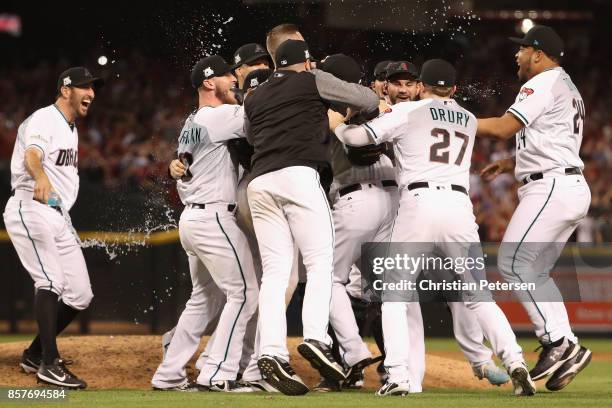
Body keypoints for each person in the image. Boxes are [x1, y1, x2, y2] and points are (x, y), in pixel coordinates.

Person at [330, 59, 534, 397]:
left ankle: (398, 375)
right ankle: (515, 361)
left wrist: (338, 124)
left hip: (418, 204)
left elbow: (357, 139)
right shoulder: (468, 118)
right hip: (458, 208)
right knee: (478, 296)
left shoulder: (410, 111)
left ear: (421, 86)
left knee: (395, 295)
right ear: (453, 90)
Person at [244, 39, 379, 395]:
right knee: (320, 264)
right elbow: (368, 99)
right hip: (298, 176)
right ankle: (316, 338)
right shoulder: (311, 78)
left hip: (259, 183)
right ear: (305, 63)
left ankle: (271, 351)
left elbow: (249, 135)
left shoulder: (254, 95)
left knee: (274, 272)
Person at [477, 25, 592, 391]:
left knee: (512, 262)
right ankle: (567, 343)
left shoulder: (540, 83)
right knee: (535, 271)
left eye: (523, 49)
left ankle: (557, 342)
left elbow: (501, 127)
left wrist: (450, 119)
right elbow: (551, 141)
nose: (518, 54)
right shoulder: (567, 86)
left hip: (552, 187)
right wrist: (512, 163)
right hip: (566, 183)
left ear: (538, 54)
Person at [151, 55, 258, 392]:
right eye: (228, 76)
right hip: (214, 217)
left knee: (203, 298)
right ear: (209, 83)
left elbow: (182, 169)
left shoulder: (191, 121)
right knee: (245, 293)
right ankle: (217, 373)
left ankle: (169, 373)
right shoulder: (221, 115)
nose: (234, 80)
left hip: (192, 218)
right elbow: (265, 113)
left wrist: (173, 167)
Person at [3, 66, 103, 388]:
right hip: (31, 206)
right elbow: (33, 154)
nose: (91, 93)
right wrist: (41, 175)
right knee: (50, 281)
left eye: (93, 87)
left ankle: (34, 353)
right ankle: (49, 363)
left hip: (58, 215)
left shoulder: (70, 128)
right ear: (65, 90)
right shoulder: (46, 119)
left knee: (80, 294)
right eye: (84, 87)